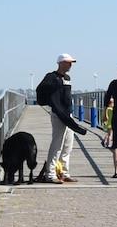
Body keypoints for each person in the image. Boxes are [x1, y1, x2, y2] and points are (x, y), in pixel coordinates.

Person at [35, 53, 88, 183]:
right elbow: (40, 90)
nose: (70, 65)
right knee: (57, 144)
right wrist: (51, 101)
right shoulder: (51, 77)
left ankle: (64, 172)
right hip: (58, 114)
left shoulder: (67, 78)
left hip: (68, 114)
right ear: (61, 63)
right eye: (68, 62)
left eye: (71, 63)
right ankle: (50, 174)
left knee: (67, 146)